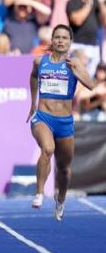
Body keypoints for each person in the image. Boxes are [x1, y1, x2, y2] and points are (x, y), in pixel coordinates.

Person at [28, 25, 95, 221]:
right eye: (57, 37)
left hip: (64, 122)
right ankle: (39, 193)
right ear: (52, 40)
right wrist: (33, 103)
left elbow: (91, 85)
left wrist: (76, 70)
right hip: (43, 117)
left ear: (70, 41)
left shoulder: (74, 64)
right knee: (47, 149)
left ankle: (60, 200)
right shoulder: (40, 61)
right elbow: (33, 76)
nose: (60, 41)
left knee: (64, 168)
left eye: (65, 38)